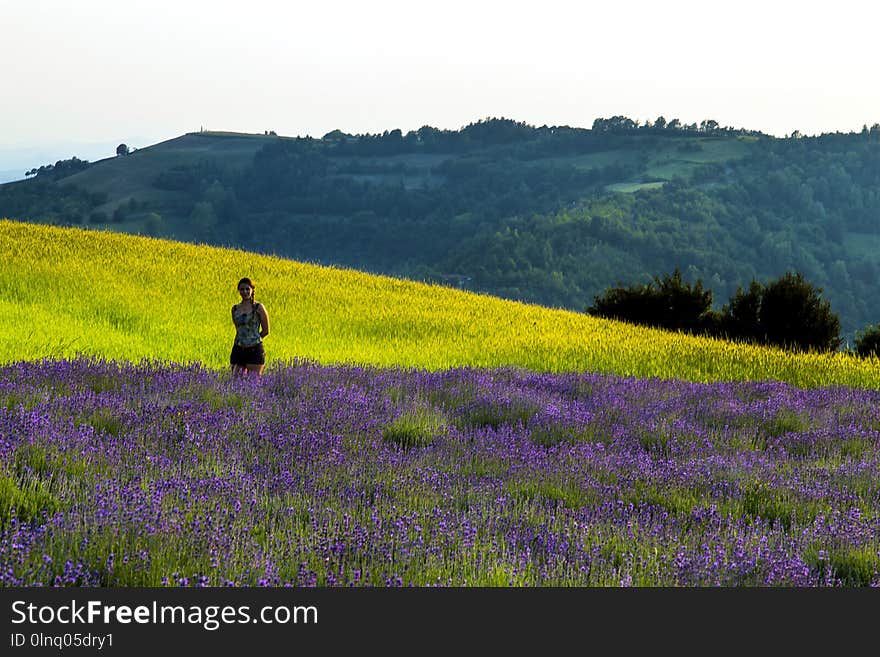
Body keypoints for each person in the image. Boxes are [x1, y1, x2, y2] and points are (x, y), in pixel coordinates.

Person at [230, 277, 269, 375]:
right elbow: (239, 329)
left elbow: (266, 330)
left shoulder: (258, 307)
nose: (245, 292)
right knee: (235, 381)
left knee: (253, 383)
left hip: (254, 350)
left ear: (252, 290)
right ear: (239, 291)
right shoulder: (235, 309)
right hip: (238, 349)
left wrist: (253, 340)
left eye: (247, 289)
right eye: (242, 289)